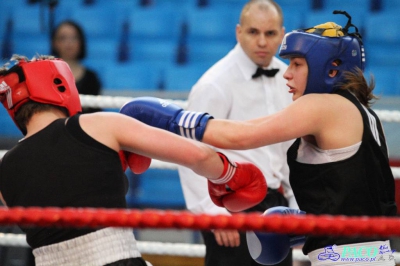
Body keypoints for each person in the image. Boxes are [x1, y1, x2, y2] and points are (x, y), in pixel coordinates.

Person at [121, 11, 398, 266]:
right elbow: (355, 194)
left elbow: (241, 136)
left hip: (346, 259)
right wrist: (306, 223)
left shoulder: (321, 106)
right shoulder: (364, 113)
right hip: (370, 253)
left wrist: (171, 118)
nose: (287, 73)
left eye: (298, 64)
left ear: (331, 68)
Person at [0, 55, 268, 266]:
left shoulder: (5, 169)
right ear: (59, 84)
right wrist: (228, 175)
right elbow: (199, 155)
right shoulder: (98, 125)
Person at [177, 0, 296, 265]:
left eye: (270, 33)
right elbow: (189, 151)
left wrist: (296, 205)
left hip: (276, 205)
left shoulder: (288, 78)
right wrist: (212, 214)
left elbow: (291, 148)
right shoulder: (215, 83)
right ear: (238, 32)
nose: (262, 42)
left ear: (282, 34)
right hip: (229, 207)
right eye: (254, 32)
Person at [51, 20, 102, 113]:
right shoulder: (46, 75)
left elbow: (96, 112)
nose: (69, 43)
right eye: (63, 38)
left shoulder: (91, 78)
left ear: (81, 42)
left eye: (74, 38)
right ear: (54, 43)